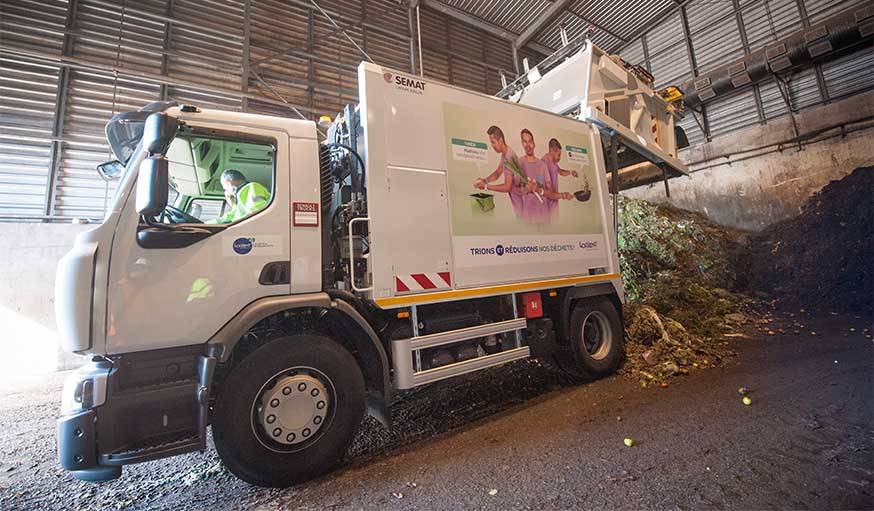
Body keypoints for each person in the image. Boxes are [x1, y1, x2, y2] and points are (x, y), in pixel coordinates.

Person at [474, 125, 525, 218]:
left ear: (500, 140)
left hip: (522, 205)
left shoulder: (509, 158)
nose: (492, 146)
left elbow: (507, 187)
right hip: (517, 202)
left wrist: (485, 186)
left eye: (493, 142)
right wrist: (485, 180)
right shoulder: (506, 153)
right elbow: (498, 172)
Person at [518, 129, 553, 224]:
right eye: (525, 142)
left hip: (543, 216)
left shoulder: (542, 165)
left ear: (534, 143)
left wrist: (538, 189)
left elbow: (551, 193)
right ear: (522, 143)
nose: (528, 145)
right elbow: (514, 189)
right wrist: (525, 189)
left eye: (530, 141)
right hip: (527, 217)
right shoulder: (519, 164)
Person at [541, 137, 577, 218]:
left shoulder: (553, 162)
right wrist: (564, 195)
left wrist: (571, 172)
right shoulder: (543, 163)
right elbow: (545, 192)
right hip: (546, 207)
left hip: (554, 203)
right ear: (552, 151)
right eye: (559, 155)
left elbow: (560, 171)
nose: (559, 158)